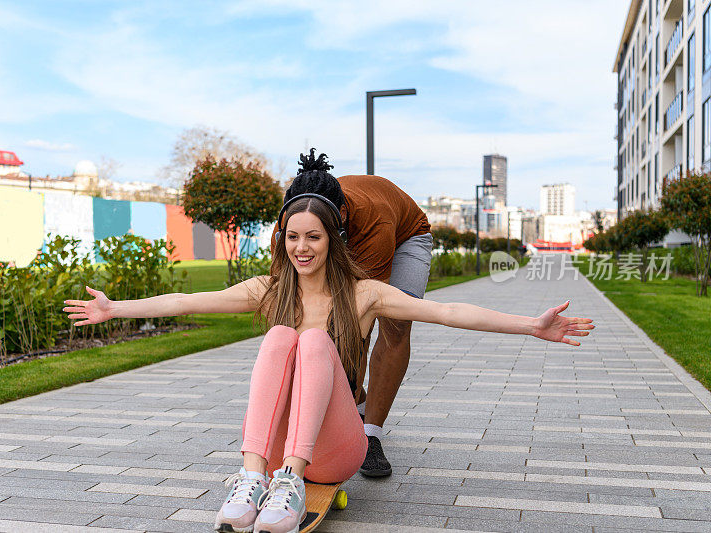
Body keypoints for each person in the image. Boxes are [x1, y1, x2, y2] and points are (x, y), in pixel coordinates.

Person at [63, 173, 594, 533]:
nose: (301, 248)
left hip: (336, 450)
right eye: (292, 237)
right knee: (279, 336)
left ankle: (291, 482)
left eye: (313, 237)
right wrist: (117, 309)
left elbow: (452, 314)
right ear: (280, 240)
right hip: (272, 448)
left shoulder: (365, 294)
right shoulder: (269, 289)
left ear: (333, 238)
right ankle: (253, 479)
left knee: (312, 340)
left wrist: (532, 326)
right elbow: (183, 300)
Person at [274, 149, 433, 477]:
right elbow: (291, 309)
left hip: (406, 236)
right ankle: (354, 406)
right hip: (339, 241)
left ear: (341, 213)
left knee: (394, 323)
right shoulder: (290, 224)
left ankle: (370, 434)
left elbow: (360, 320)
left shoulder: (375, 219)